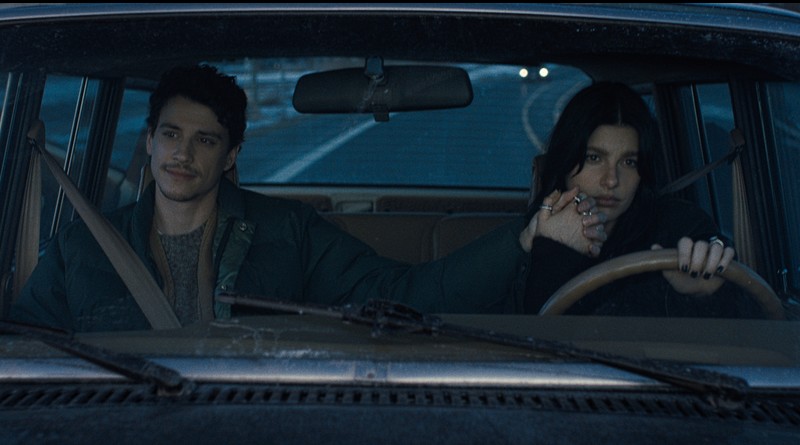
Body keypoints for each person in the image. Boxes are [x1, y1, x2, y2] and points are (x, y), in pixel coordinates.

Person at [9, 64, 607, 332]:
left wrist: (524, 239)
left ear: (231, 155)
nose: (182, 154)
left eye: (205, 140)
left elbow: (404, 298)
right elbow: (26, 349)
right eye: (170, 135)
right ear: (149, 141)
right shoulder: (83, 247)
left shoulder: (288, 233)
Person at [523, 81, 765, 318]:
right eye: (594, 158)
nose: (611, 180)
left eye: (629, 162)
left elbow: (750, 318)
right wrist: (551, 250)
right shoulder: (530, 234)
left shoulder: (679, 226)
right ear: (565, 161)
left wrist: (707, 293)